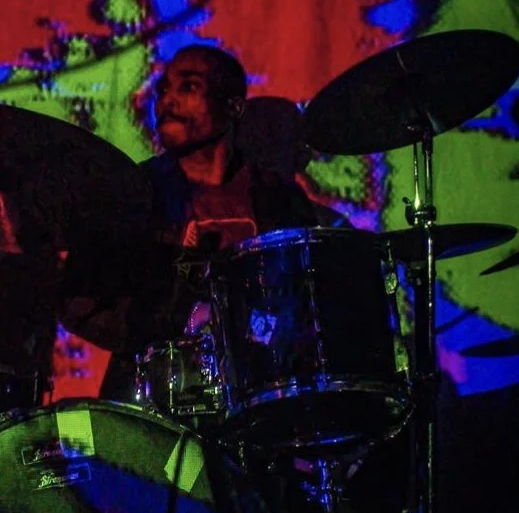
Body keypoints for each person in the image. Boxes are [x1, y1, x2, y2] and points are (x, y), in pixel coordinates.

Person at [61, 43, 347, 399]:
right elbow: (79, 301)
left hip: (257, 398)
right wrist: (162, 331)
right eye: (163, 90)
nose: (167, 100)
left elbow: (306, 301)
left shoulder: (276, 198)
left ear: (234, 107)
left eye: (189, 86)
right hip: (152, 400)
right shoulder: (134, 193)